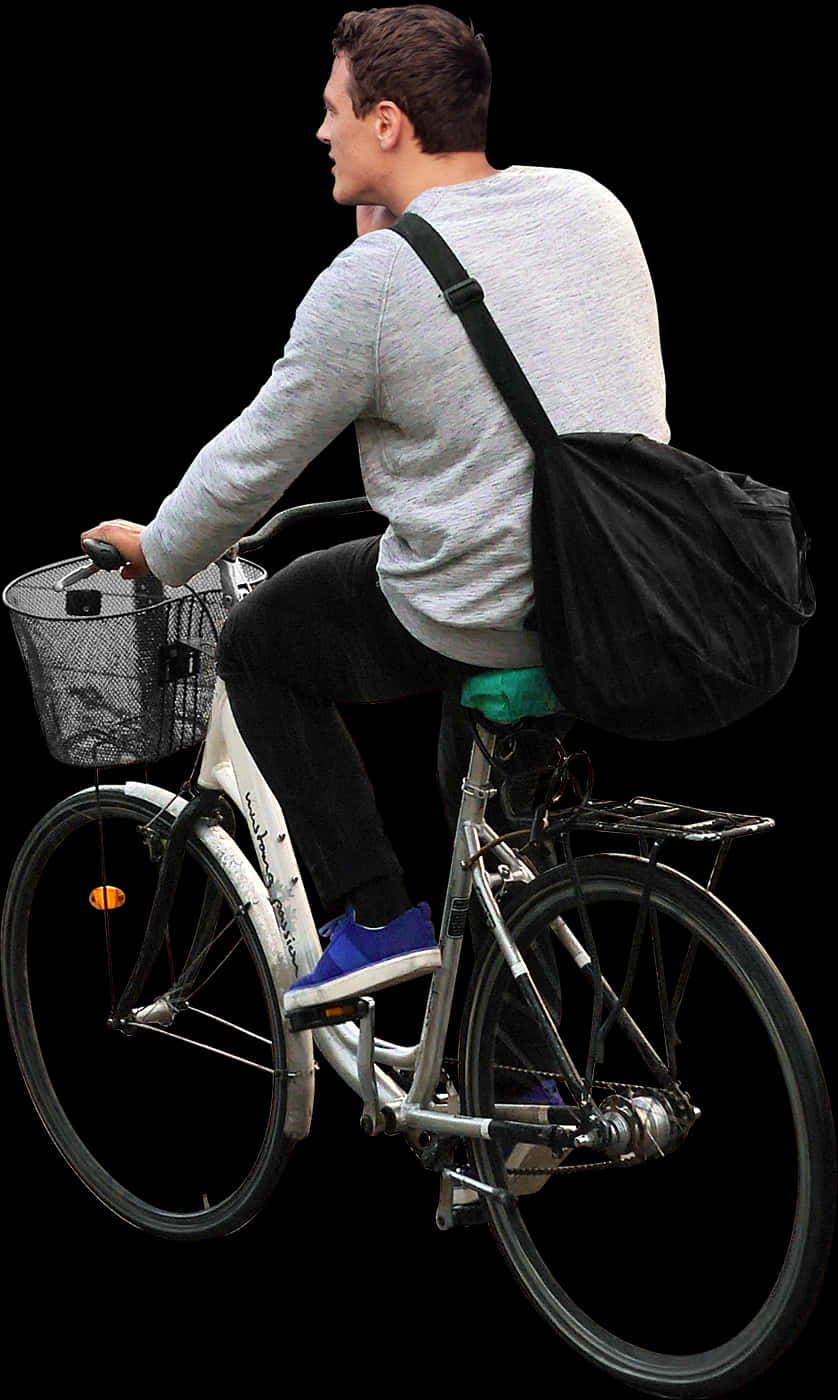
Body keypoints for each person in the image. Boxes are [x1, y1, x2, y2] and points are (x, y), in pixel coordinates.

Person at [82, 5, 668, 1016]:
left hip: (487, 599)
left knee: (262, 640)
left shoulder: (374, 283)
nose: (321, 132)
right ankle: (521, 1087)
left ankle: (375, 914)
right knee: (484, 833)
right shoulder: (590, 205)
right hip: (616, 590)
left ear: (387, 123)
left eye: (333, 110)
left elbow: (249, 465)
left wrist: (163, 549)